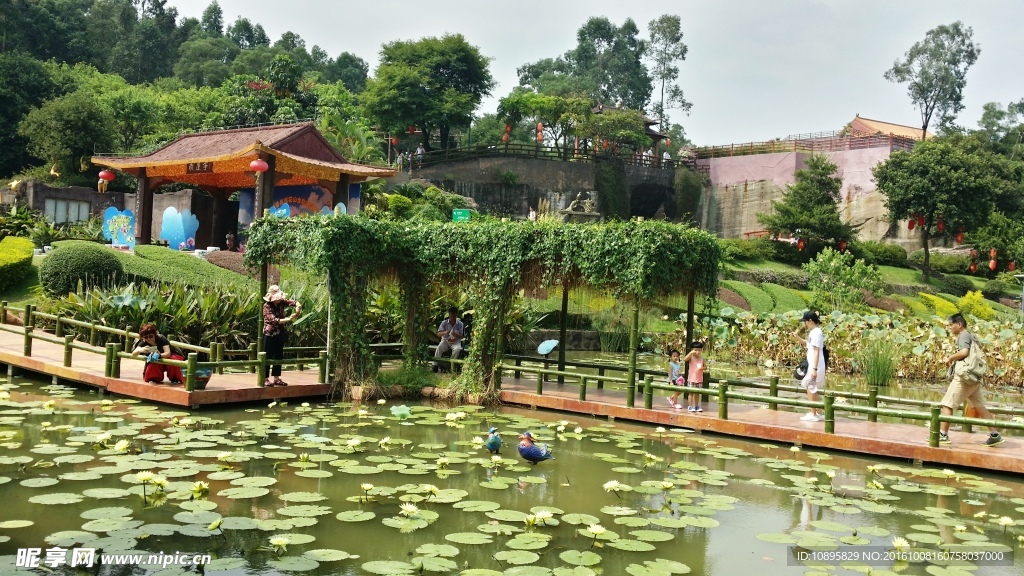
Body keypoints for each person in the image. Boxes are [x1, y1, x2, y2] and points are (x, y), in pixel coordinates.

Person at [938, 314, 1003, 446]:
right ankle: (995, 434)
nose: (949, 328)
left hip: (964, 378)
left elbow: (964, 352)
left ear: (959, 324)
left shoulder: (963, 335)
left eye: (951, 325)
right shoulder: (971, 336)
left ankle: (943, 435)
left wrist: (950, 358)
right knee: (980, 407)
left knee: (948, 404)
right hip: (974, 378)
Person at [263, 285, 301, 387]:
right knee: (267, 356)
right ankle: (265, 378)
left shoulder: (281, 302)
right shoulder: (267, 306)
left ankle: (276, 378)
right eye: (277, 298)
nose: (279, 300)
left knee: (278, 355)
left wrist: (298, 306)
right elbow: (274, 320)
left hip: (280, 333)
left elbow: (291, 302)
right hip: (269, 334)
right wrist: (289, 319)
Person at [792, 310, 826, 421]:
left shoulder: (816, 333)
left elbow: (816, 351)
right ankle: (819, 412)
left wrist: (814, 369)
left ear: (810, 321)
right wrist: (797, 337)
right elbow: (808, 344)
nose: (805, 324)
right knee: (812, 388)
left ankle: (813, 414)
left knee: (810, 387)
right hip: (813, 364)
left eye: (805, 321)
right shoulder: (814, 332)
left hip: (815, 365)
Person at [433, 306, 464, 371]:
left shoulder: (460, 324)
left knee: (457, 349)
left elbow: (462, 336)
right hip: (445, 341)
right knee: (439, 348)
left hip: (456, 342)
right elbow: (438, 334)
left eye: (454, 316)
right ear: (449, 315)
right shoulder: (444, 323)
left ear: (456, 316)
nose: (452, 318)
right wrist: (445, 332)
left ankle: (451, 365)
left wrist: (456, 335)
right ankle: (435, 365)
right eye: (451, 316)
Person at [684, 342, 706, 412]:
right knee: (691, 393)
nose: (697, 352)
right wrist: (691, 353)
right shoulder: (691, 357)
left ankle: (696, 406)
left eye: (699, 350)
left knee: (697, 393)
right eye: (695, 350)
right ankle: (690, 406)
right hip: (691, 378)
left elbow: (705, 367)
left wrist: (702, 368)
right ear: (692, 350)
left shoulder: (702, 359)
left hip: (699, 379)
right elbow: (685, 359)